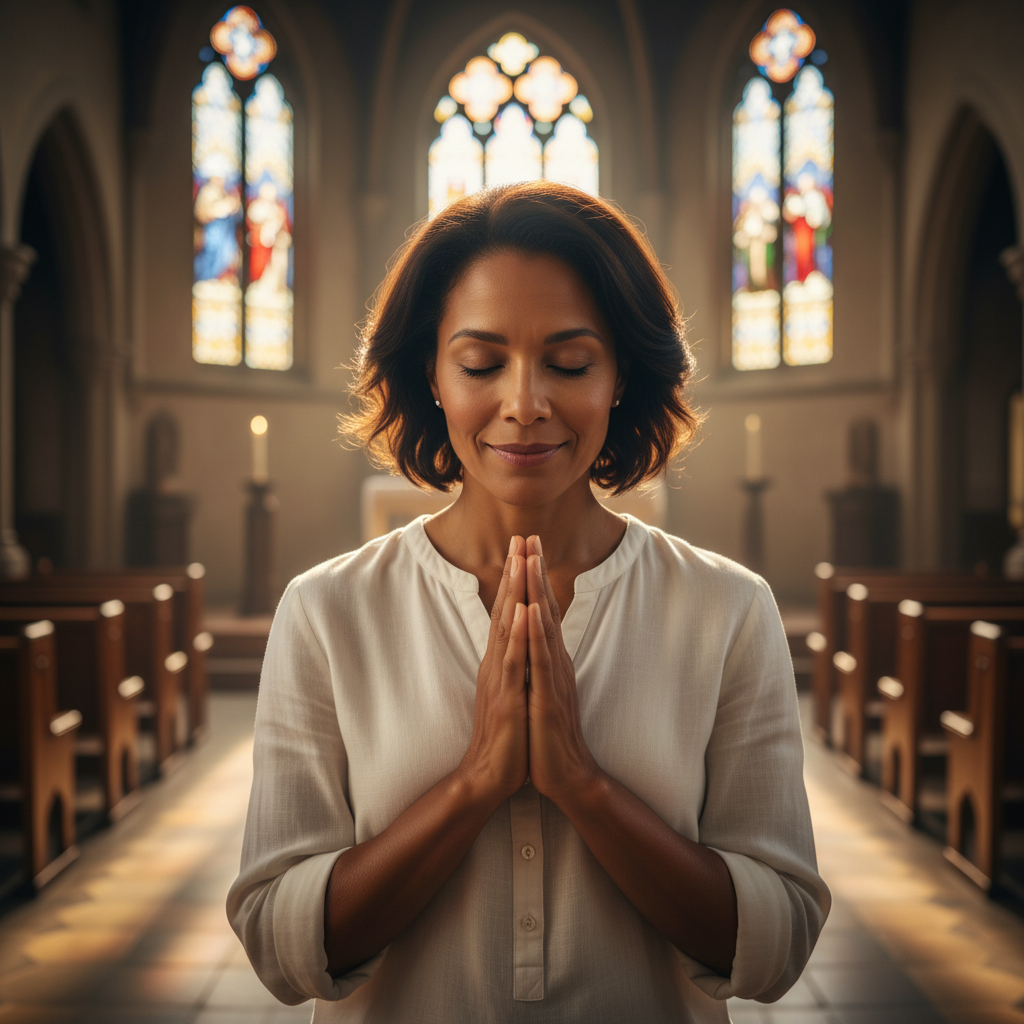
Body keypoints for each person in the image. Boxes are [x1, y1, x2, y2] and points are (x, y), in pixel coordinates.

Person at [227, 181, 830, 1022]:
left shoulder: (727, 610)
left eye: (570, 362)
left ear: (620, 375)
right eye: (480, 363)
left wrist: (582, 785)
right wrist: (476, 782)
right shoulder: (327, 613)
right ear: (432, 376)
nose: (524, 403)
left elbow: (777, 942)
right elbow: (280, 945)